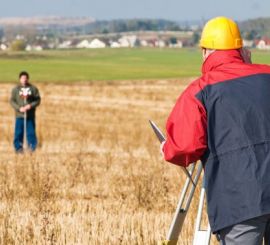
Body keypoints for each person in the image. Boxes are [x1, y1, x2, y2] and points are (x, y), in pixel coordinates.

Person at [161, 16, 270, 245]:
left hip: (240, 202)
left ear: (206, 51)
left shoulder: (200, 90)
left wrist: (166, 148)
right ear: (241, 49)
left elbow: (184, 148)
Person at [10, 71, 41, 153]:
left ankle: (31, 148)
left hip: (30, 115)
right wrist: (19, 108)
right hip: (19, 115)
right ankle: (18, 148)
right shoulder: (15, 89)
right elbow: (12, 101)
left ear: (28, 79)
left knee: (31, 133)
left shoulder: (33, 89)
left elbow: (37, 100)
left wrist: (30, 106)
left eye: (25, 78)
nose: (24, 80)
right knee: (18, 133)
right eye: (22, 78)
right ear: (20, 79)